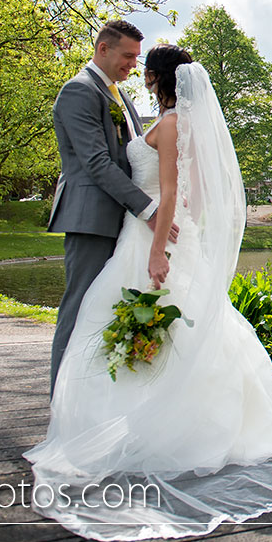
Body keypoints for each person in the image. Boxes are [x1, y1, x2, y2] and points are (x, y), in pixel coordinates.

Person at [25, 45, 272, 541]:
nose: (136, 71)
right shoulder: (182, 125)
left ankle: (124, 428)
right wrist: (177, 219)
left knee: (112, 321)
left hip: (149, 235)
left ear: (156, 78)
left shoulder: (167, 125)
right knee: (164, 328)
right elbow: (193, 194)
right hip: (159, 229)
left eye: (143, 67)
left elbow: (166, 193)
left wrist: (158, 249)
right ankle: (141, 423)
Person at [47, 20, 175, 396]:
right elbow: (97, 163)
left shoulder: (118, 94)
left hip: (120, 221)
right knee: (79, 311)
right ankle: (61, 404)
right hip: (91, 218)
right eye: (128, 55)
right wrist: (149, 209)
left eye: (137, 57)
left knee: (104, 313)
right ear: (103, 49)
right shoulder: (79, 91)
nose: (134, 64)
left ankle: (93, 401)